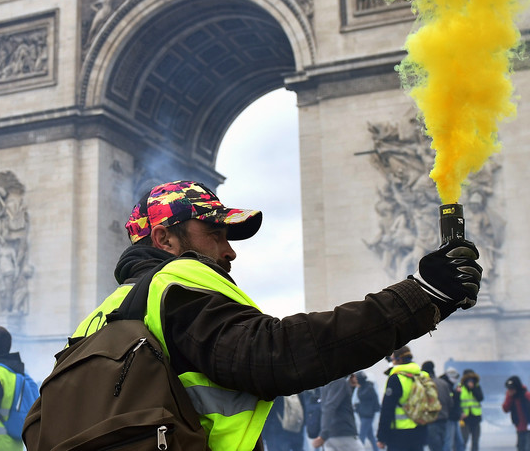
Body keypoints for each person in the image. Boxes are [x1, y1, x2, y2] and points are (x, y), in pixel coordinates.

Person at [70, 180, 481, 451]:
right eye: (214, 233)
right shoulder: (177, 283)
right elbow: (278, 355)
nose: (229, 251)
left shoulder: (96, 318)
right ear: (165, 238)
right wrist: (419, 296)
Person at [377, 346, 428, 451]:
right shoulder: (422, 376)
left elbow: (387, 409)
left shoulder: (396, 379)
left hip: (399, 434)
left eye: (392, 358)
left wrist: (382, 436)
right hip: (419, 431)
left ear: (398, 359)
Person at [313, 374, 360, 451]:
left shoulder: (327, 383)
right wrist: (323, 434)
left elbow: (339, 403)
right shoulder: (339, 382)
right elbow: (330, 406)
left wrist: (351, 387)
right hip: (343, 432)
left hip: (332, 433)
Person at [420, 362, 450, 451]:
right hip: (444, 420)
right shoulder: (443, 383)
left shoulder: (425, 384)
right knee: (443, 445)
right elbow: (450, 402)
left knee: (435, 447)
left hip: (432, 421)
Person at [458, 370, 483, 451]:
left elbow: (480, 398)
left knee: (475, 441)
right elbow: (456, 402)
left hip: (475, 417)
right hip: (464, 418)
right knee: (463, 440)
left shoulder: (477, 386)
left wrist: (473, 388)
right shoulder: (460, 387)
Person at [355, 371, 380, 449]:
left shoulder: (368, 387)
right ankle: (376, 449)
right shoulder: (364, 387)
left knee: (362, 436)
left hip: (367, 414)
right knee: (370, 436)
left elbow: (363, 396)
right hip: (364, 413)